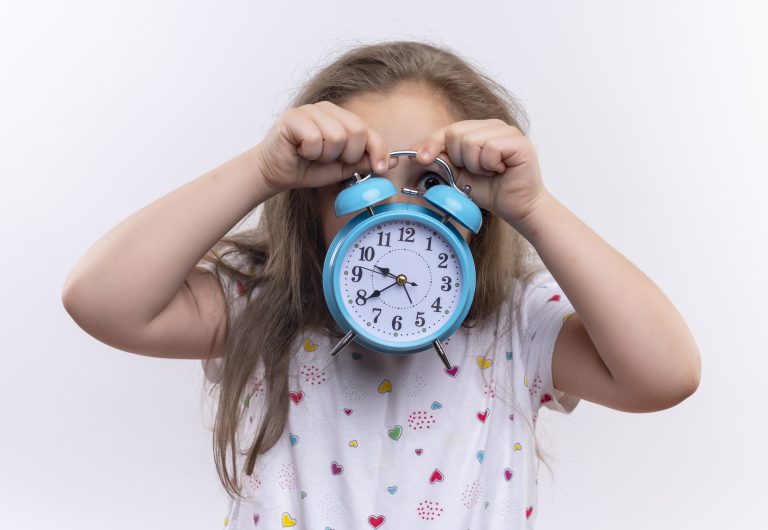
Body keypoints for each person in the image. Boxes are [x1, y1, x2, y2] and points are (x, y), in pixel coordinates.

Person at [61, 40, 701, 529]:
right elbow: (99, 299)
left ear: (480, 204)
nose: (396, 213)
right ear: (307, 200)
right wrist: (260, 169)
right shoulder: (260, 307)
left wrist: (535, 207)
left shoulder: (516, 323)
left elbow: (665, 374)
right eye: (354, 186)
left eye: (431, 184)